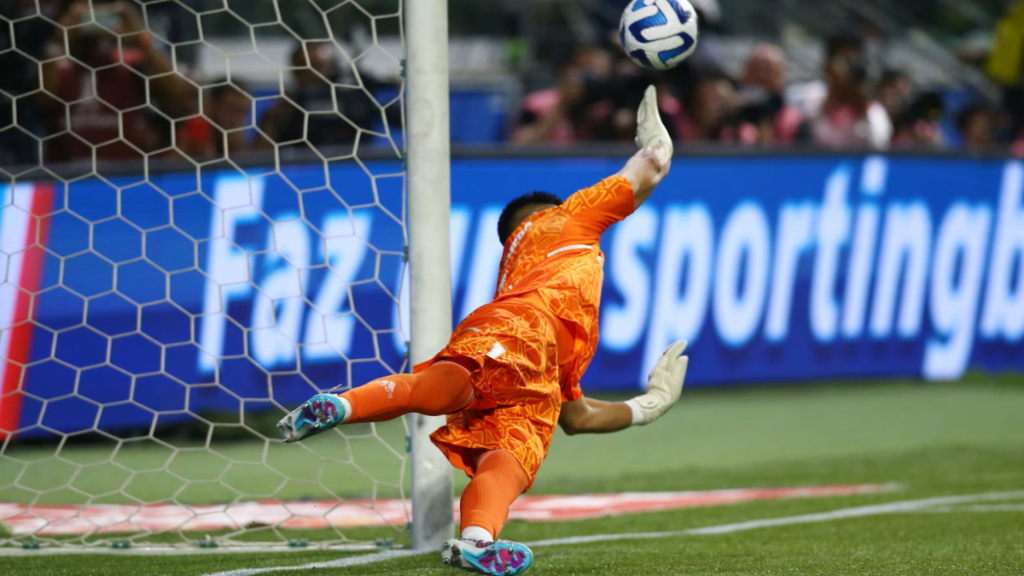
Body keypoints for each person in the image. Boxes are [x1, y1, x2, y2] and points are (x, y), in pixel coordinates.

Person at [277, 87, 689, 575]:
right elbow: (650, 168)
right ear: (544, 214)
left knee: (469, 411)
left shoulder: (514, 276)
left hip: (506, 340)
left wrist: (648, 406)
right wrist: (654, 144)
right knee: (504, 449)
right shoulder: (565, 220)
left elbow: (573, 416)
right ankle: (469, 529)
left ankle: (464, 528)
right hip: (531, 330)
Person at [806, 36, 892, 150]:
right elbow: (816, 140)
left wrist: (863, 115)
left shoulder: (875, 113)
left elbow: (878, 148)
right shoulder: (822, 106)